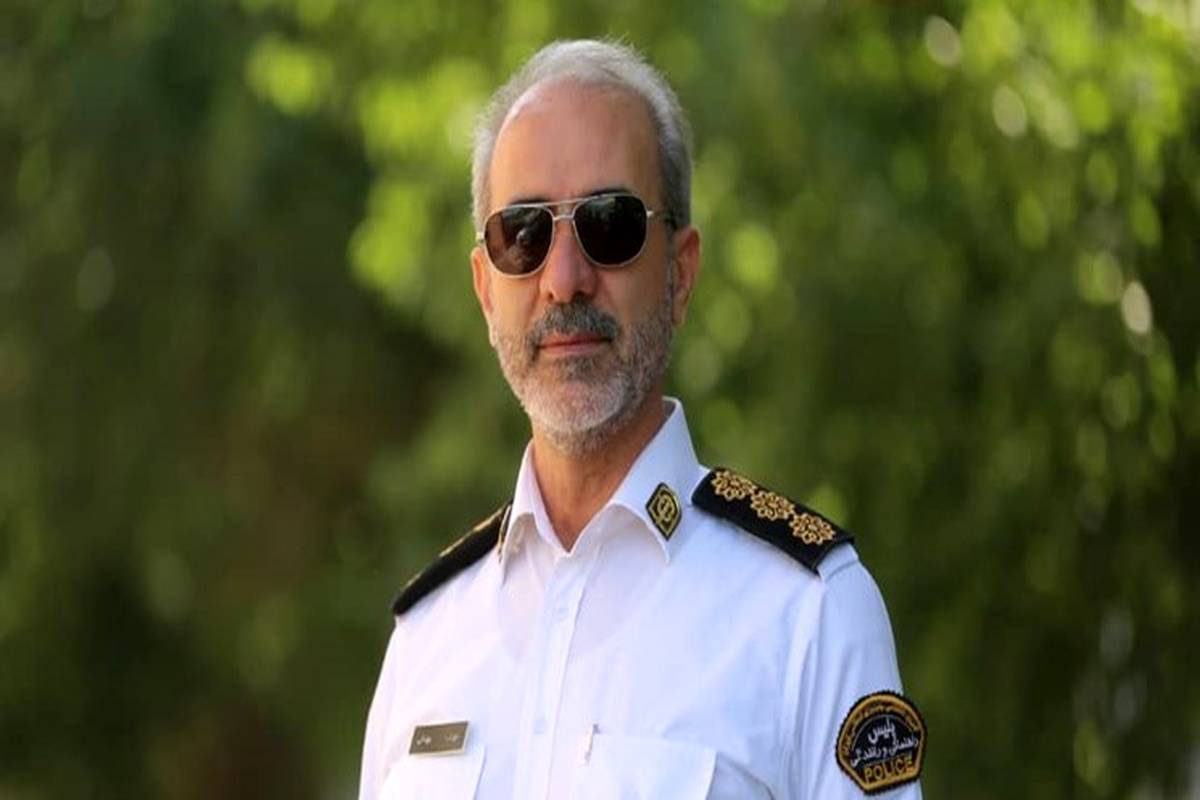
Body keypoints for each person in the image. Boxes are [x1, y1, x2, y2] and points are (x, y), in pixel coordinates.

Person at [357, 39, 924, 799]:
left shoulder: (809, 614)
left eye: (610, 225)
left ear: (680, 274)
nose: (564, 280)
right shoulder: (426, 639)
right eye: (522, 234)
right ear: (486, 290)